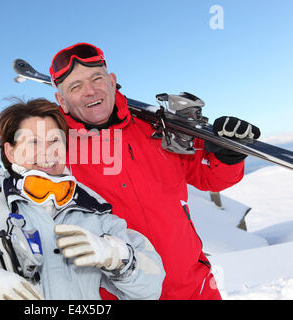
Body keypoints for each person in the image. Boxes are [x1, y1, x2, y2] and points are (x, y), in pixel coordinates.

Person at [49, 42, 261, 300]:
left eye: (97, 78)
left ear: (112, 81)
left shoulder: (157, 131)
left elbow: (209, 177)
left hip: (195, 288)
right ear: (62, 101)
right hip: (120, 294)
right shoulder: (56, 154)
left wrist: (228, 155)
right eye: (75, 86)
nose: (90, 91)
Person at [0, 98, 165, 300]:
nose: (47, 151)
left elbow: (151, 289)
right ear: (10, 151)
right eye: (34, 142)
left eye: (54, 140)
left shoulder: (96, 216)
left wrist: (118, 258)